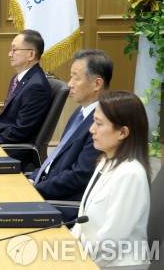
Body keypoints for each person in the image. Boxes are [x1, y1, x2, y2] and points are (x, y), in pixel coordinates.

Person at [71, 91, 151, 267]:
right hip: (89, 257)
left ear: (122, 132)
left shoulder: (131, 175)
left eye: (99, 124)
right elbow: (82, 223)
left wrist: (73, 262)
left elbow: (112, 242)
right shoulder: (105, 161)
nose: (91, 129)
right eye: (93, 121)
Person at [30, 49, 112, 220]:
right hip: (47, 186)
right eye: (70, 77)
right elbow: (57, 158)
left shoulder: (102, 124)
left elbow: (79, 175)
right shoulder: (80, 113)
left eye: (76, 78)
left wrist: (35, 190)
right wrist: (32, 178)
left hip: (63, 204)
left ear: (97, 84)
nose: (69, 84)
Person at [0, 30, 52, 144]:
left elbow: (20, 131)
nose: (10, 54)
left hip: (11, 147)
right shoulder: (18, 78)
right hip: (1, 136)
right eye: (11, 49)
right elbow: (8, 117)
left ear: (31, 54)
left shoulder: (36, 87)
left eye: (14, 50)